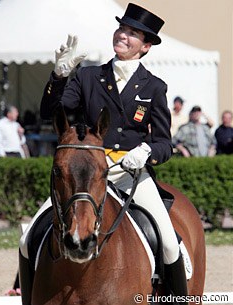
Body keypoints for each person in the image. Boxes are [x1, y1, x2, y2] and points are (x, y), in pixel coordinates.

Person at [19, 3, 188, 304]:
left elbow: (165, 144)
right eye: (121, 28)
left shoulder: (154, 87)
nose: (123, 35)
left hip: (129, 173)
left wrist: (145, 152)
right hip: (86, 172)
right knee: (26, 239)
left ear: (146, 46)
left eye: (132, 33)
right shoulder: (88, 77)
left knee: (170, 244)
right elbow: (50, 112)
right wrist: (58, 77)